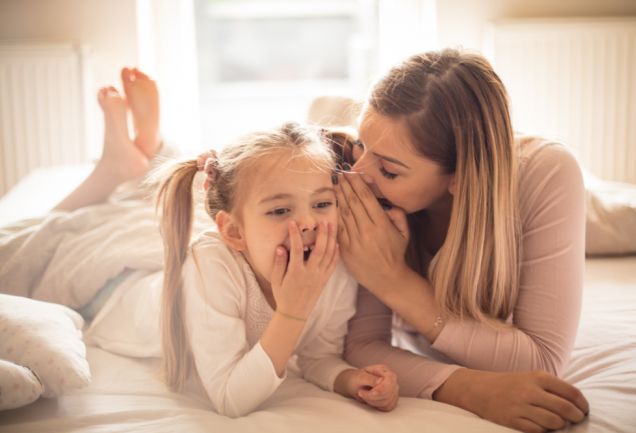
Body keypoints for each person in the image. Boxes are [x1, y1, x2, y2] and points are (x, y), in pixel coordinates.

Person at [45, 69, 400, 417]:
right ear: (233, 233)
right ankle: (124, 165)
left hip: (188, 257)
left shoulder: (333, 266)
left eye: (322, 204)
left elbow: (316, 355)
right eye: (280, 210)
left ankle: (139, 157)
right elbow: (231, 399)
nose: (308, 222)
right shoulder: (212, 268)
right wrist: (294, 309)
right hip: (118, 291)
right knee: (63, 234)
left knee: (130, 215)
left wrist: (349, 379)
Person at [332, 48, 590, 433]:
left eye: (387, 169)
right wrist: (468, 388)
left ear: (460, 177)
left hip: (513, 189)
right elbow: (362, 347)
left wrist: (393, 279)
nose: (358, 173)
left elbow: (542, 363)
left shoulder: (548, 173)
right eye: (362, 145)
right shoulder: (366, 184)